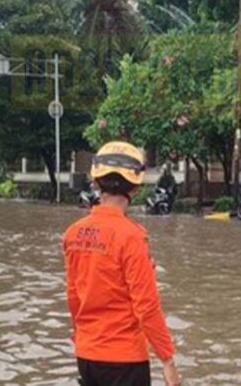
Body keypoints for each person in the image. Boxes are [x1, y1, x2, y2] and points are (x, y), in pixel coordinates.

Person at [62, 141, 182, 386]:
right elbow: (146, 306)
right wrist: (167, 360)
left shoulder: (72, 234)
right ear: (136, 187)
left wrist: (82, 338)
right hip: (124, 359)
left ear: (96, 182)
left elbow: (73, 296)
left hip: (86, 354)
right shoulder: (132, 237)